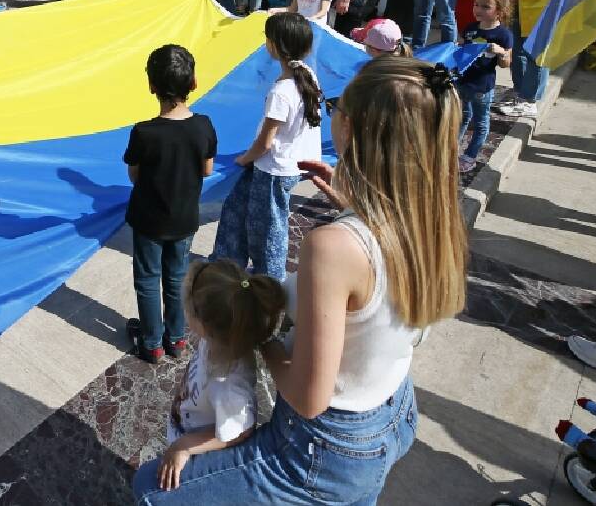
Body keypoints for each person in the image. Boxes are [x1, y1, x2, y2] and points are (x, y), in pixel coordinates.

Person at [134, 56, 467, 504]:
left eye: (336, 108)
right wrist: (352, 206)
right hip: (394, 411)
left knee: (149, 491)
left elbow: (309, 399)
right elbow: (378, 272)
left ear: (351, 128)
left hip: (328, 446)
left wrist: (257, 333)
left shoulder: (333, 248)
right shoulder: (430, 216)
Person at [144, 260, 286, 493]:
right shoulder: (216, 341)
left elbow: (241, 430)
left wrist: (185, 446)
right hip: (185, 433)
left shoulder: (228, 384)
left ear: (204, 324)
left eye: (188, 308)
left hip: (200, 456)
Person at [123, 44, 217, 363]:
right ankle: (176, 339)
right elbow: (207, 169)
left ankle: (152, 343)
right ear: (194, 83)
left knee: (148, 279)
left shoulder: (144, 133)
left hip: (149, 220)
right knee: (176, 278)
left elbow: (134, 176)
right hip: (184, 219)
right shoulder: (203, 126)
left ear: (151, 86)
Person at [212, 13, 322, 281]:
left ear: (274, 45)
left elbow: (266, 141)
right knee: (237, 207)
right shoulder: (307, 75)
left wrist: (244, 159)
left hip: (273, 170)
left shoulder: (282, 92)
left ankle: (270, 280)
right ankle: (228, 261)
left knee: (268, 229)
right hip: (281, 165)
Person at [456, 0, 514, 172]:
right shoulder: (471, 29)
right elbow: (461, 52)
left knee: (481, 122)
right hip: (463, 82)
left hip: (482, 86)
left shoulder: (503, 35)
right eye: (476, 4)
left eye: (485, 6)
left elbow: (506, 63)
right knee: (462, 117)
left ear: (499, 12)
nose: (478, 9)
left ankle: (470, 156)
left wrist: (501, 52)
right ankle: (451, 150)